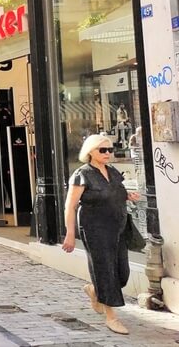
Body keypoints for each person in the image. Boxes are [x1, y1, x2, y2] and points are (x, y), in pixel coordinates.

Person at [62, 134, 141, 335]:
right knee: (106, 271)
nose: (108, 153)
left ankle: (94, 291)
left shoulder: (113, 172)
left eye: (110, 150)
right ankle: (111, 317)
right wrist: (70, 234)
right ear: (90, 152)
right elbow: (70, 207)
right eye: (102, 150)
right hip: (95, 228)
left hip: (118, 228)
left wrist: (129, 196)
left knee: (122, 274)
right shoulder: (82, 174)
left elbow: (117, 192)